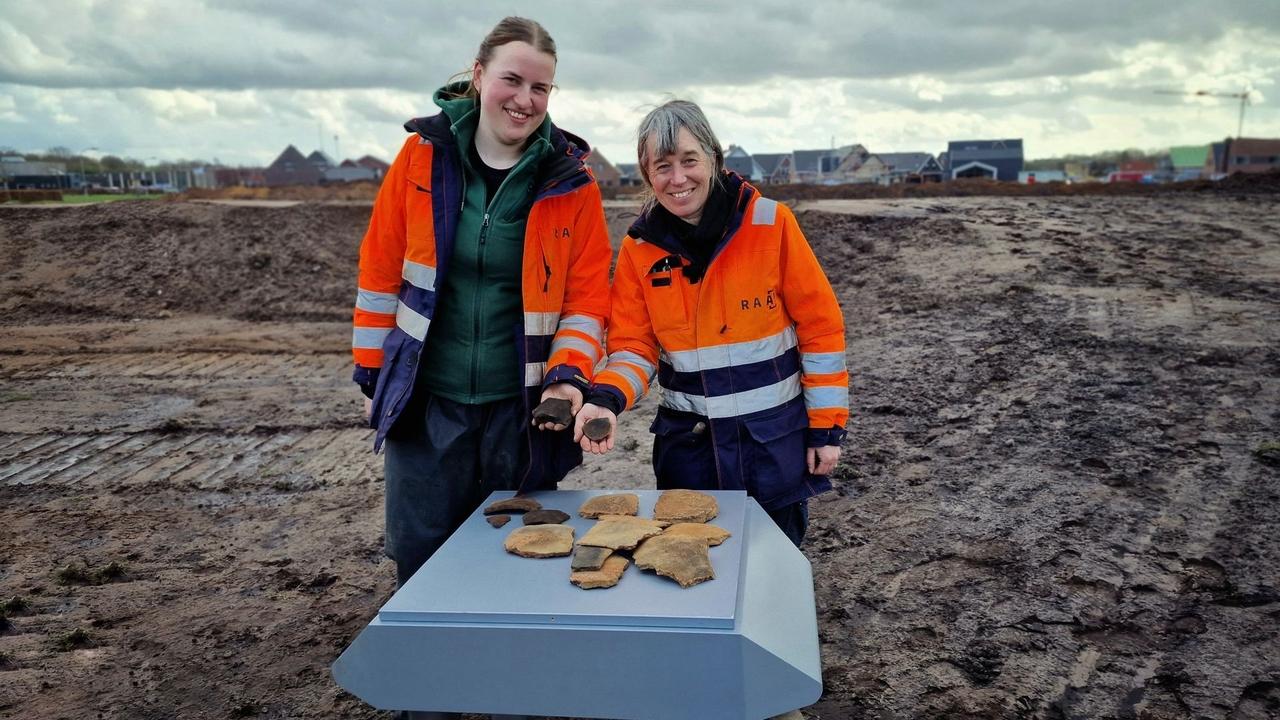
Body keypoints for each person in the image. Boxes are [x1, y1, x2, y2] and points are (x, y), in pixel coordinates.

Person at [351, 16, 611, 595]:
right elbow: (380, 270)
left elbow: (588, 300)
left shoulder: (571, 182)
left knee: (520, 552)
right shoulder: (421, 157)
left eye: (540, 88)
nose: (524, 100)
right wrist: (374, 371)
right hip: (428, 404)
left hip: (520, 410)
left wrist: (569, 380)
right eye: (511, 81)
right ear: (478, 74)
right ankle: (429, 669)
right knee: (423, 555)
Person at [574, 99, 848, 547]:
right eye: (662, 166)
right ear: (647, 175)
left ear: (714, 159)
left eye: (689, 161)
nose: (677, 179)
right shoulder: (639, 251)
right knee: (691, 576)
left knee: (770, 570)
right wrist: (605, 399)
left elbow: (821, 331)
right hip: (690, 454)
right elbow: (632, 348)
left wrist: (827, 428)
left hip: (772, 447)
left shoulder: (772, 224)